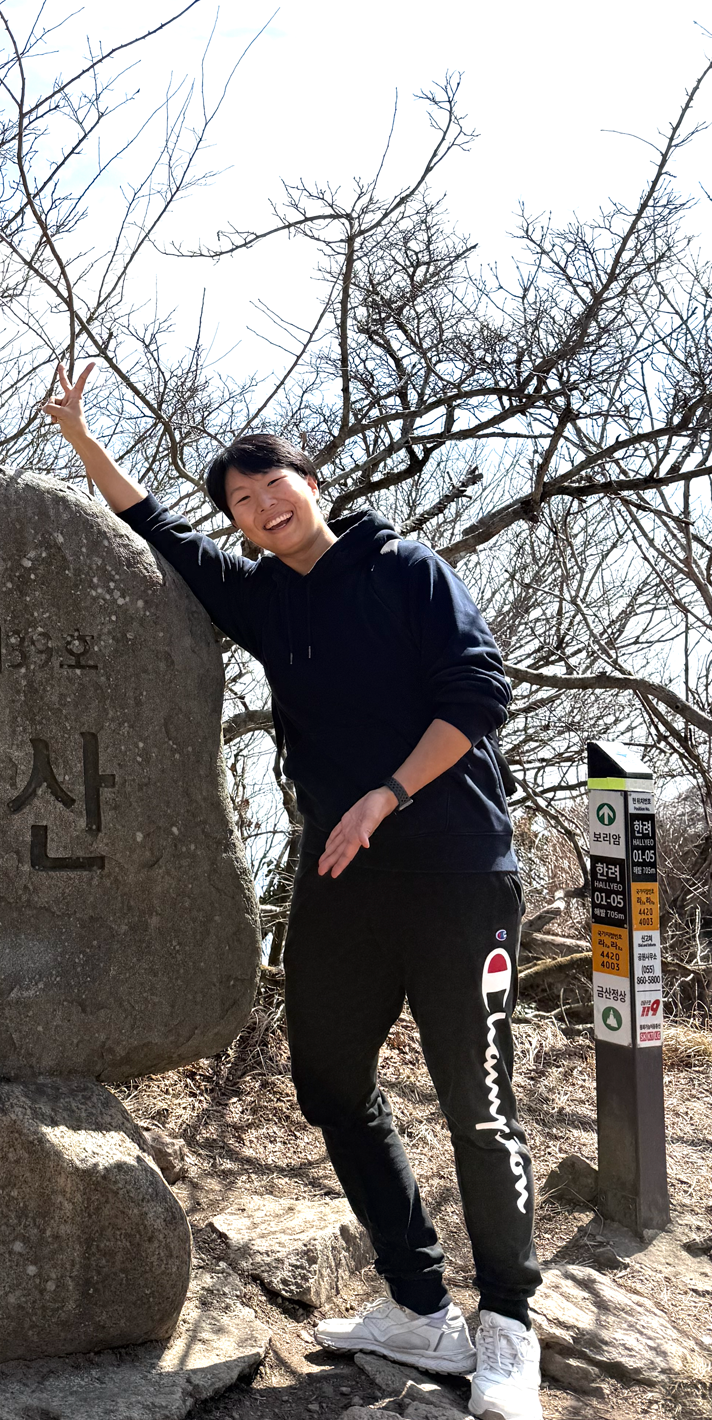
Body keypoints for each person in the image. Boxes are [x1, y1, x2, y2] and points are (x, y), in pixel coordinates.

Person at [43, 363, 542, 1420]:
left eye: (275, 484)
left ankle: (509, 1325)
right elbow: (159, 531)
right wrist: (83, 441)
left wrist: (386, 795)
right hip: (344, 881)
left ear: (311, 483)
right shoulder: (266, 601)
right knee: (329, 1079)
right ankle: (421, 1305)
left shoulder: (404, 567)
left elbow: (477, 696)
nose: (263, 506)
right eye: (243, 501)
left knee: (478, 1103)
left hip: (456, 870)